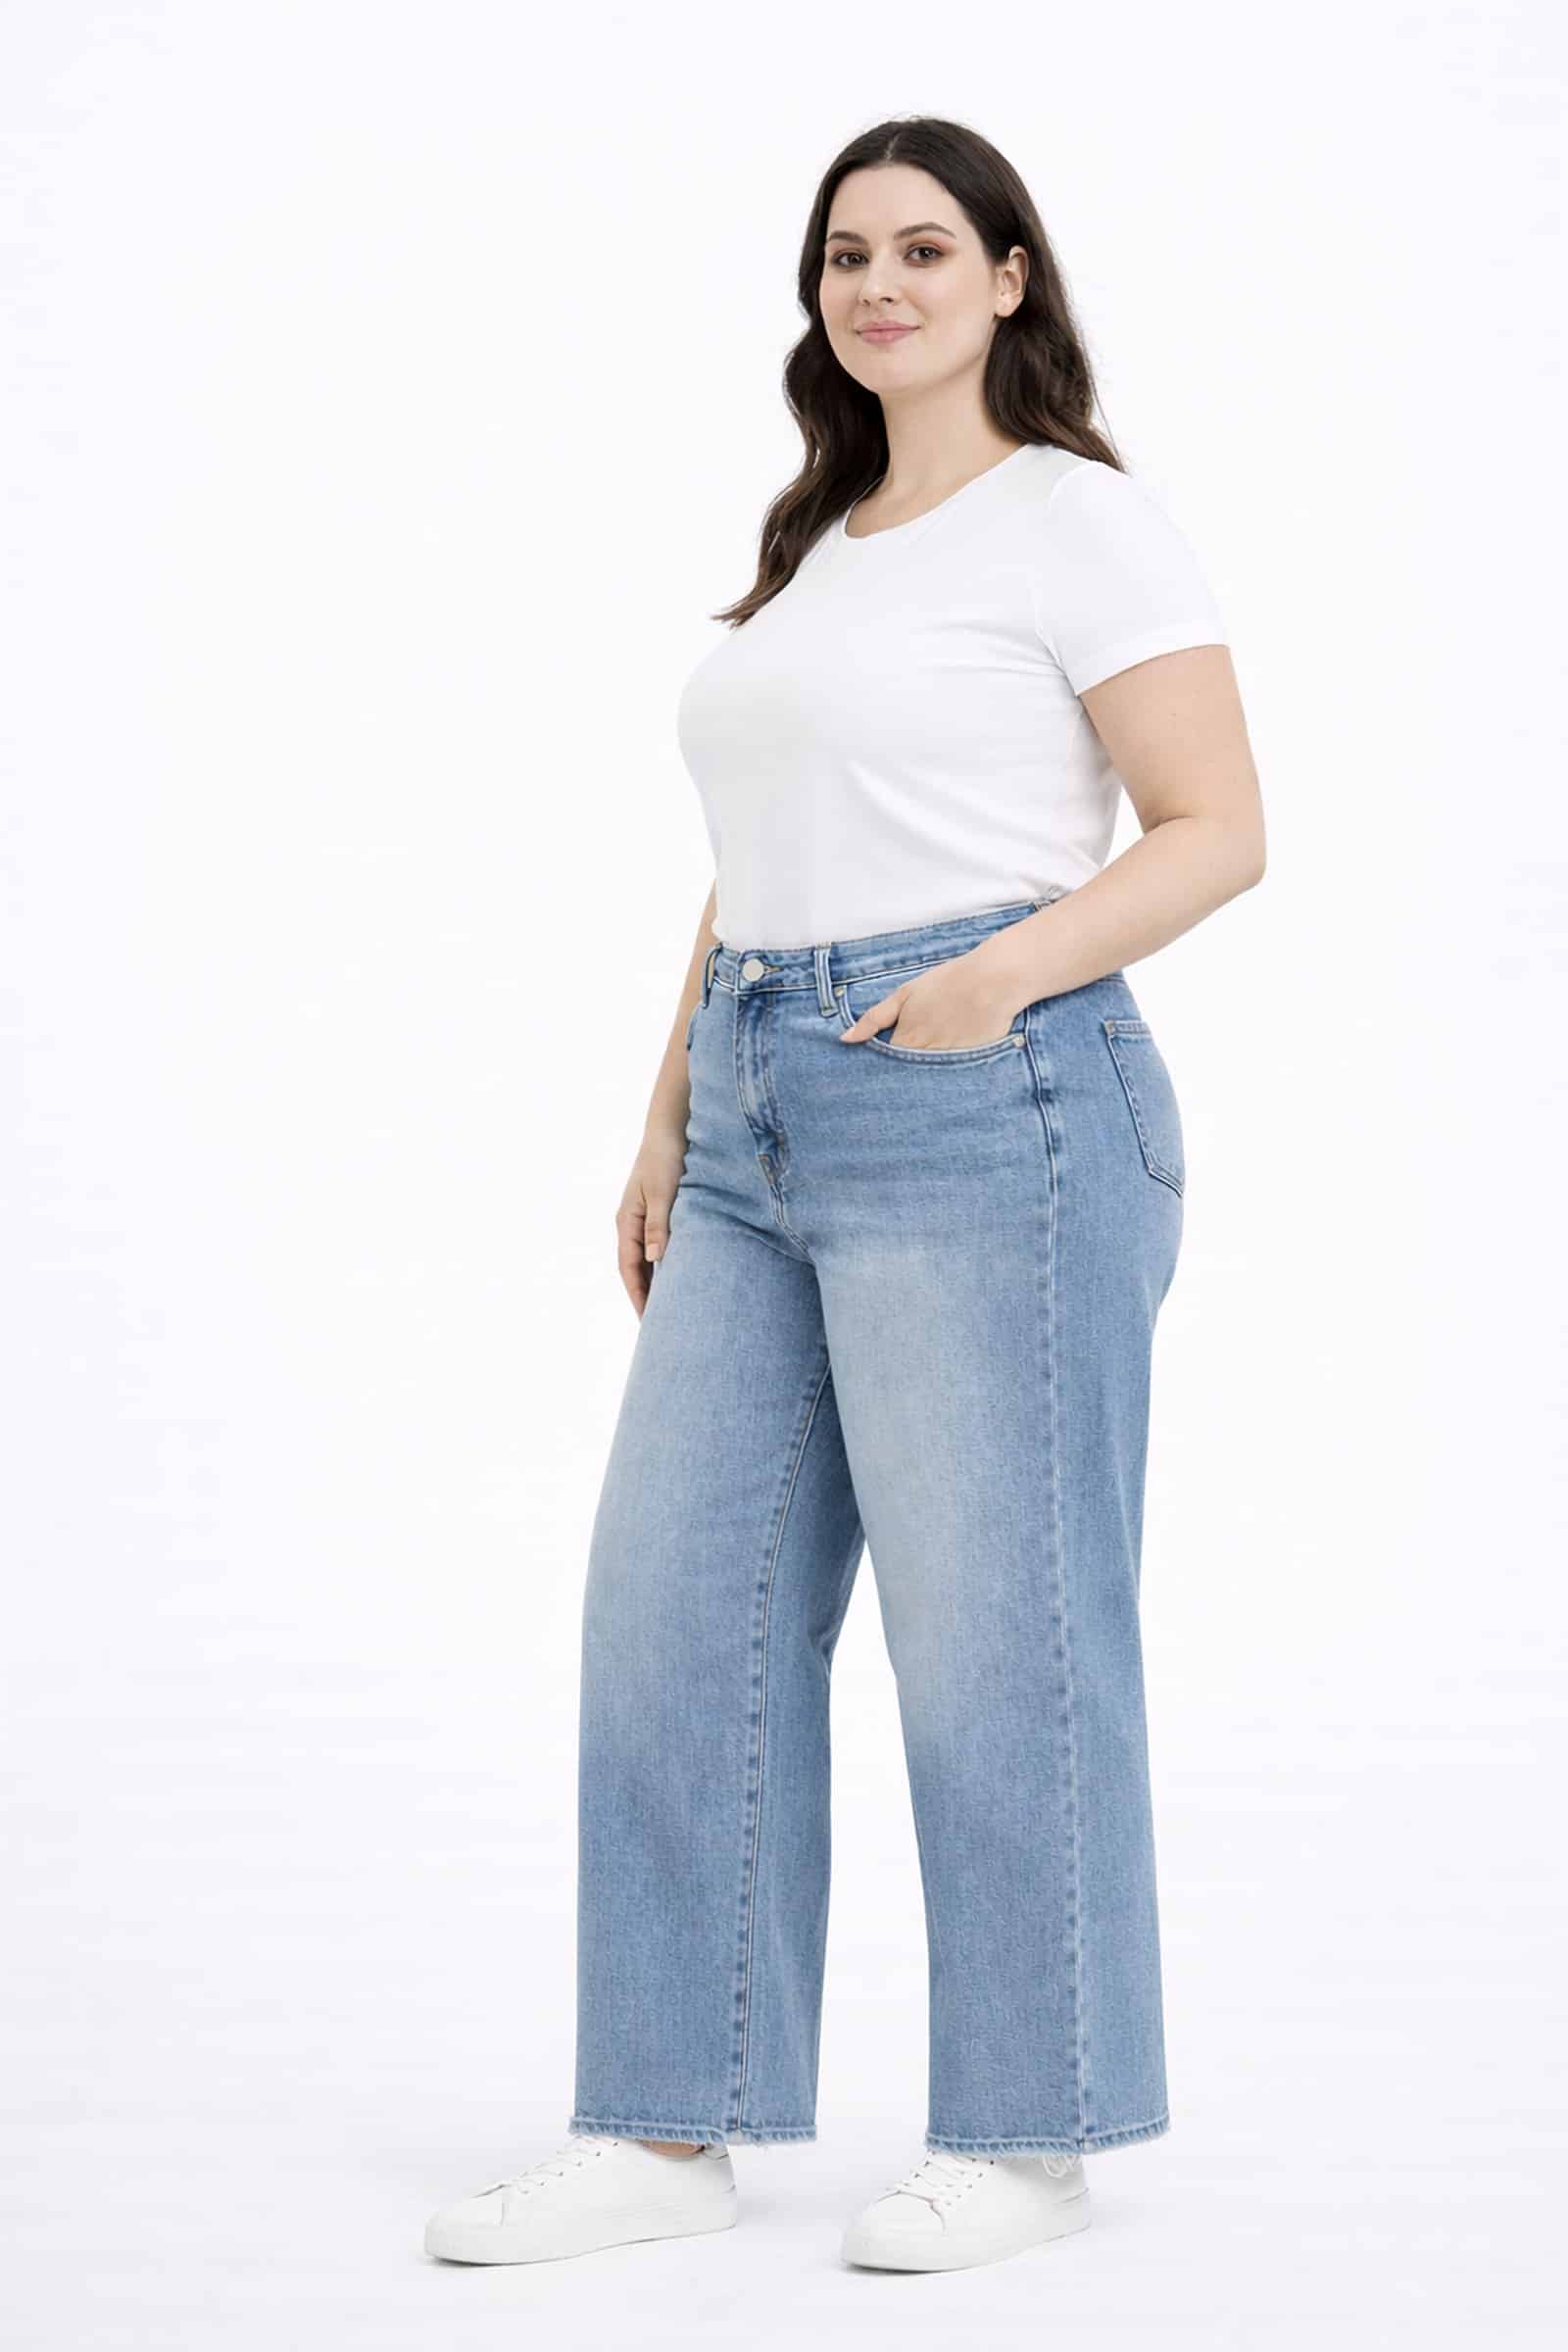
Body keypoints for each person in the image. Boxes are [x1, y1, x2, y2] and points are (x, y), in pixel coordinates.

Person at [424, 114, 1264, 2278]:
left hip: (992, 1104)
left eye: (921, 248)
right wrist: (668, 1114)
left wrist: (991, 978)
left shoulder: (1079, 521)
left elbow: (1214, 827)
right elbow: (759, 863)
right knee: (672, 1619)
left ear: (1007, 277)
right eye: (842, 257)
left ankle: (1028, 2131)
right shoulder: (826, 543)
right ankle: (662, 2121)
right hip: (756, 1117)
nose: (876, 285)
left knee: (999, 1645)